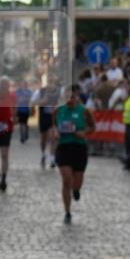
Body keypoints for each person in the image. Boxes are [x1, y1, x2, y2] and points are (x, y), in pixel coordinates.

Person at [53, 84, 95, 224]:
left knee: (77, 181)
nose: (69, 99)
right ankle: (67, 212)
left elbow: (92, 127)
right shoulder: (58, 111)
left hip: (79, 148)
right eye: (67, 97)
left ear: (77, 97)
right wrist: (55, 132)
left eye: (72, 97)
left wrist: (84, 132)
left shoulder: (84, 111)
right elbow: (54, 126)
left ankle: (76, 190)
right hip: (64, 147)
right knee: (66, 180)